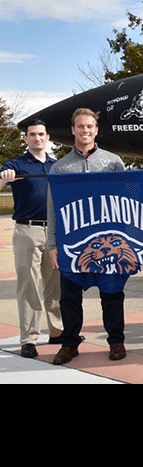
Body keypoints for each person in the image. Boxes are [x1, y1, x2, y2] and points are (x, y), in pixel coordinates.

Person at [47, 108, 127, 365]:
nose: (85, 130)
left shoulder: (113, 162)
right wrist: (52, 244)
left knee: (112, 292)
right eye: (80, 126)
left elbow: (125, 200)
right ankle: (70, 344)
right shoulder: (60, 167)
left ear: (96, 130)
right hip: (73, 243)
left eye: (90, 126)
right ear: (73, 130)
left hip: (106, 242)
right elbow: (52, 207)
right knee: (69, 296)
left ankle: (116, 341)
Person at [0, 119, 62, 358]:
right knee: (29, 286)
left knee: (54, 285)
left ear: (48, 138)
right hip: (28, 231)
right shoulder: (15, 165)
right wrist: (4, 179)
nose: (37, 138)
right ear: (25, 138)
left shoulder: (57, 166)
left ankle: (57, 331)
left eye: (41, 134)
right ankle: (29, 339)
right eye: (33, 134)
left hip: (54, 231)